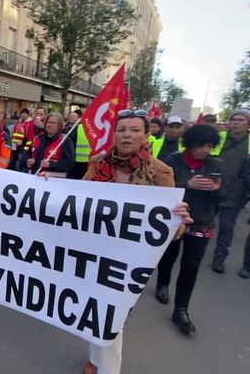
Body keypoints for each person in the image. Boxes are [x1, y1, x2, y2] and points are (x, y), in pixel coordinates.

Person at [80, 109, 191, 374]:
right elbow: (76, 198)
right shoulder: (98, 162)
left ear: (146, 135)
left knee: (113, 316)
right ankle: (96, 358)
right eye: (122, 130)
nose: (127, 135)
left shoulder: (160, 171)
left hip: (128, 259)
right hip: (93, 248)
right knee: (93, 310)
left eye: (134, 130)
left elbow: (172, 230)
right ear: (114, 134)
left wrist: (179, 220)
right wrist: (48, 186)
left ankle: (108, 369)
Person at [156, 124, 222, 335]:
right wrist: (187, 184)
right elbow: (160, 189)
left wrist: (217, 189)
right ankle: (162, 283)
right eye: (201, 145)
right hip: (174, 219)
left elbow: (228, 196)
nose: (205, 150)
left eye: (210, 145)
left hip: (202, 222)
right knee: (168, 257)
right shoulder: (173, 160)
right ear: (190, 143)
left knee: (191, 266)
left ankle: (181, 309)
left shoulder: (217, 163)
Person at [211, 109, 250, 275]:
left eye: (241, 120)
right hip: (212, 190)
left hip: (235, 195)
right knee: (200, 221)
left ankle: (219, 258)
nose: (236, 123)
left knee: (226, 227)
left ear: (248, 124)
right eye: (234, 119)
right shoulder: (219, 138)